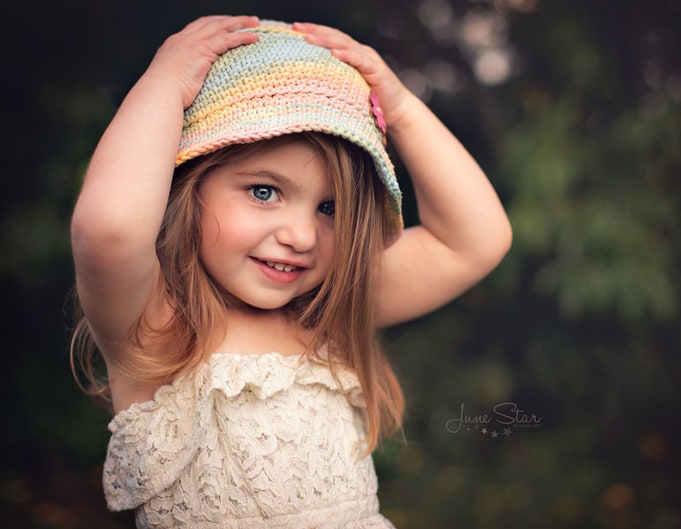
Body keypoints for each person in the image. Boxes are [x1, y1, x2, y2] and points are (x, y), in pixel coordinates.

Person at [70, 15, 511, 528]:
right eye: (264, 191)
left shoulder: (327, 311)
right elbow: (109, 230)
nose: (301, 236)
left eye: (329, 209)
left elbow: (476, 241)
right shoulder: (156, 327)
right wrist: (164, 84)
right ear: (189, 188)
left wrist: (402, 109)